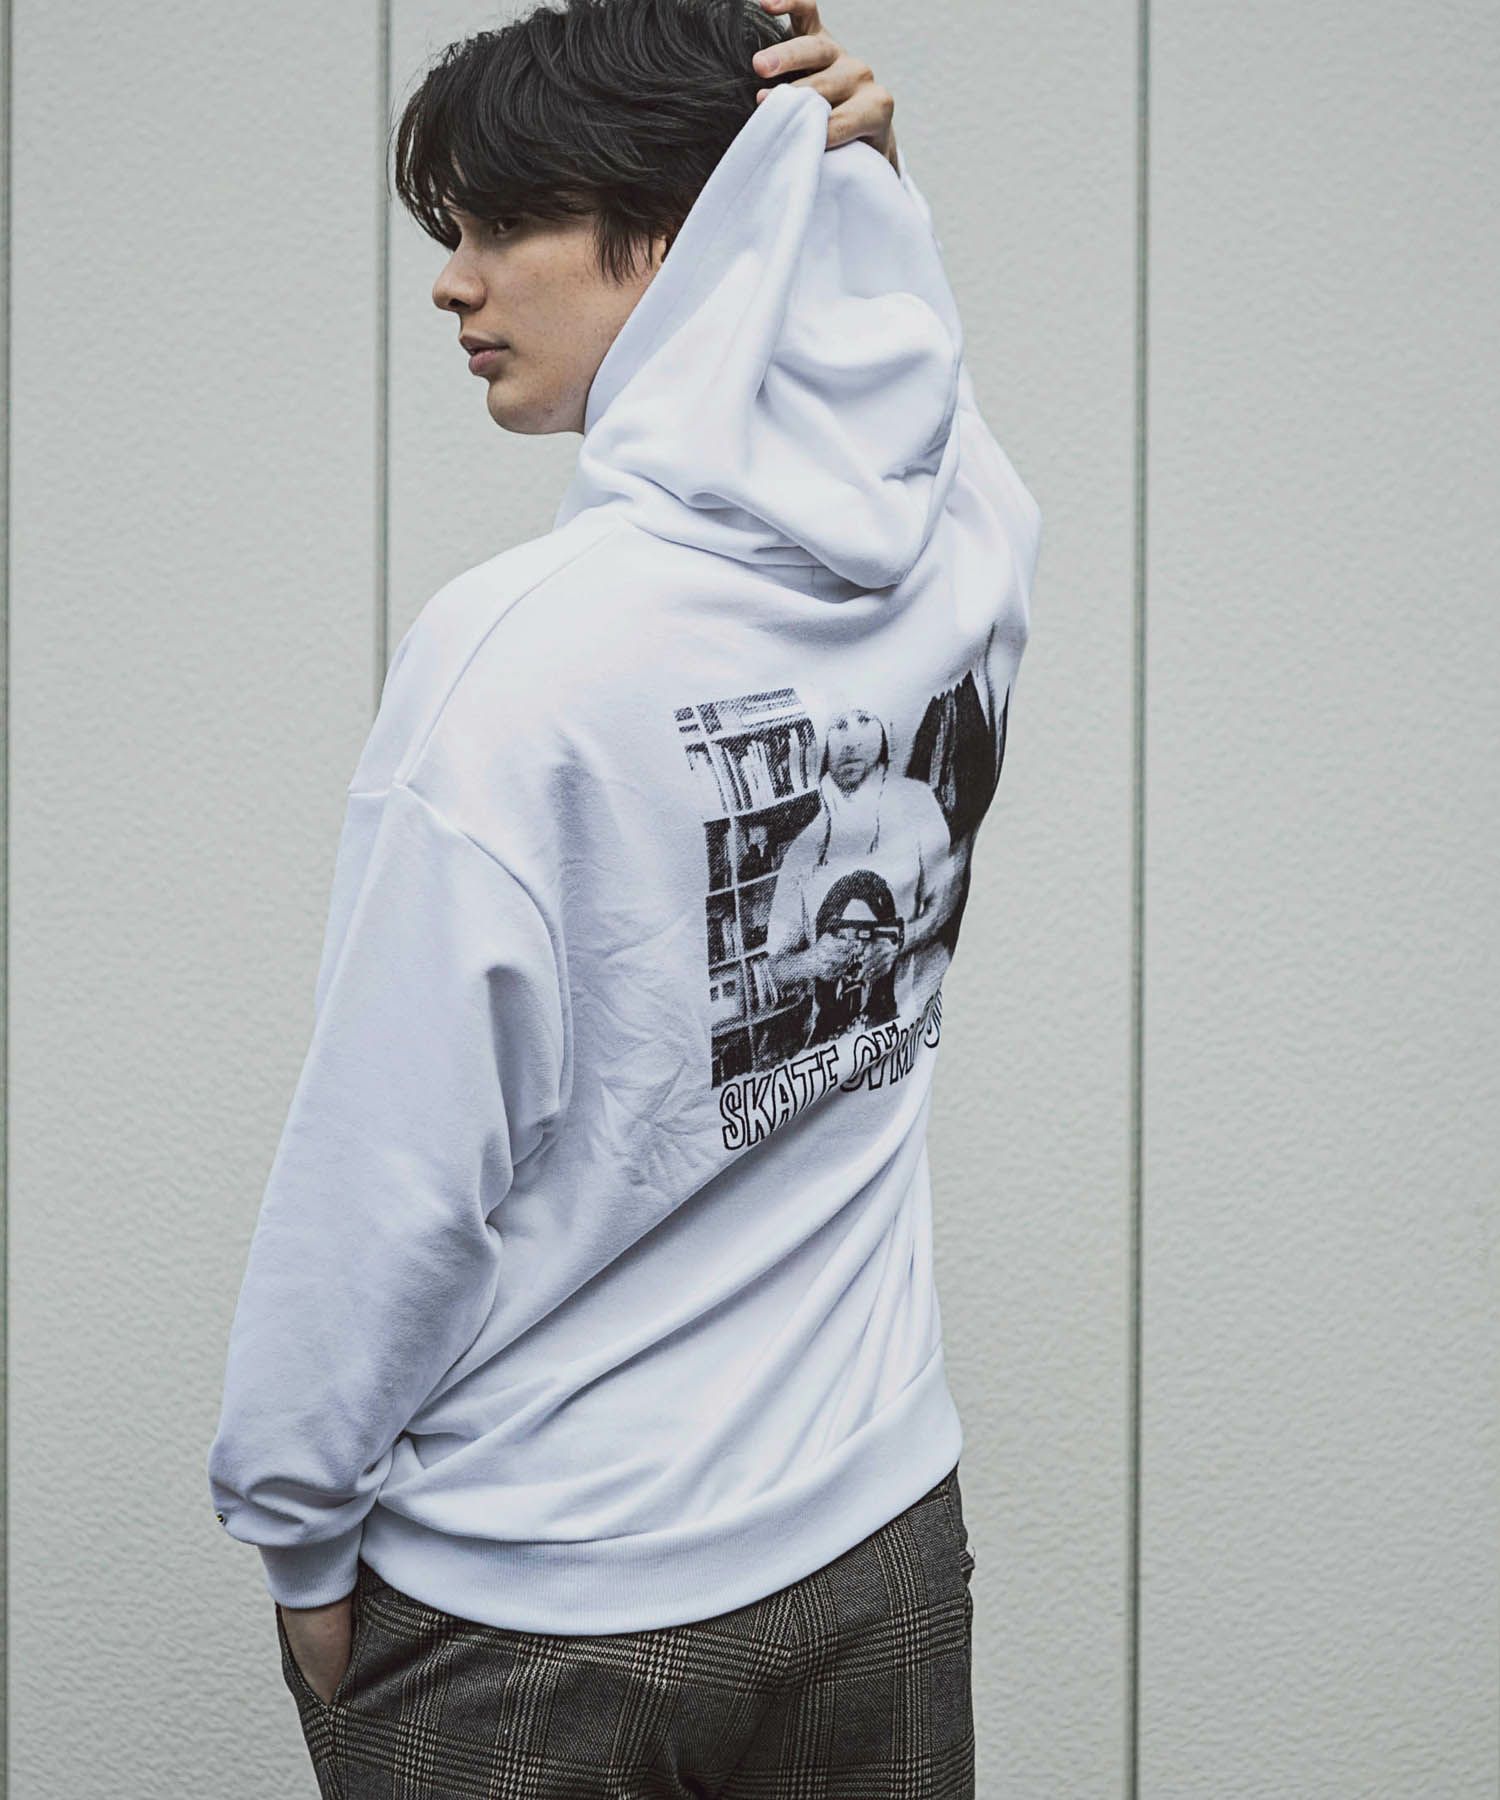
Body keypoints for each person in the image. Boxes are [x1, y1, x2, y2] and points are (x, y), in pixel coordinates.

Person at [206, 0, 1042, 1794]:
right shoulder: (970, 545)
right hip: (880, 1529)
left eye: (509, 223)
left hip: (541, 1603)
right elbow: (924, 398)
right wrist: (864, 184)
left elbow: (394, 1167)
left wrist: (297, 1529)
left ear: (692, 234)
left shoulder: (522, 651)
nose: (456, 282)